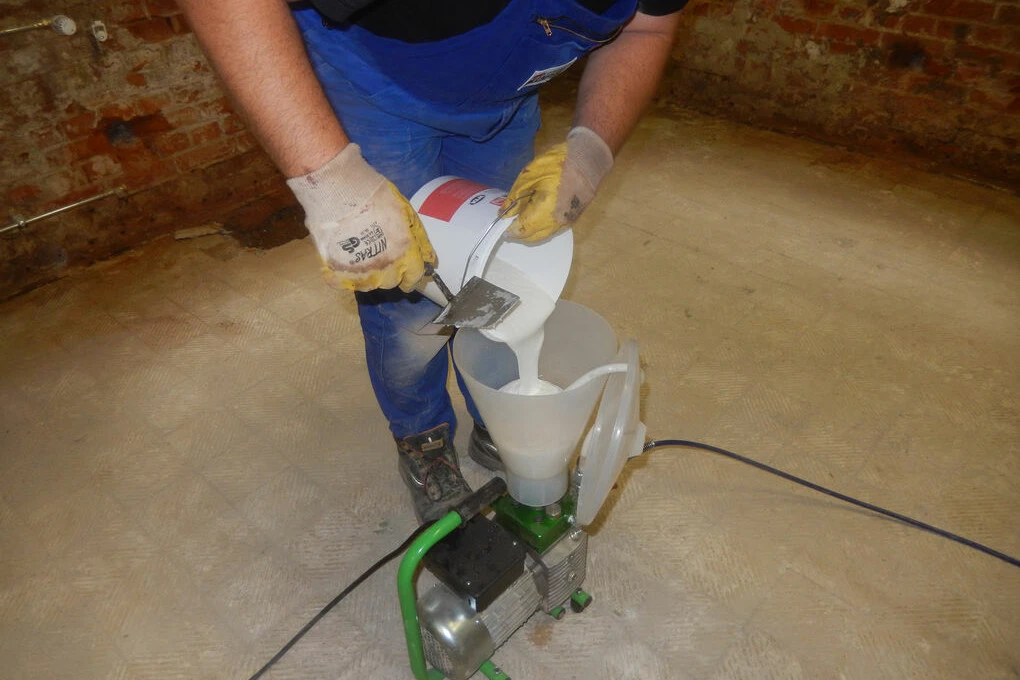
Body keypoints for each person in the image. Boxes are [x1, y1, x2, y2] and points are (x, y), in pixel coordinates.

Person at [178, 0, 685, 523]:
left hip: (504, 98)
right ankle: (423, 438)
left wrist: (589, 154)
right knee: (406, 295)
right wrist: (331, 185)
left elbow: (647, 27)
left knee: (500, 275)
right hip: (375, 81)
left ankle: (497, 416)